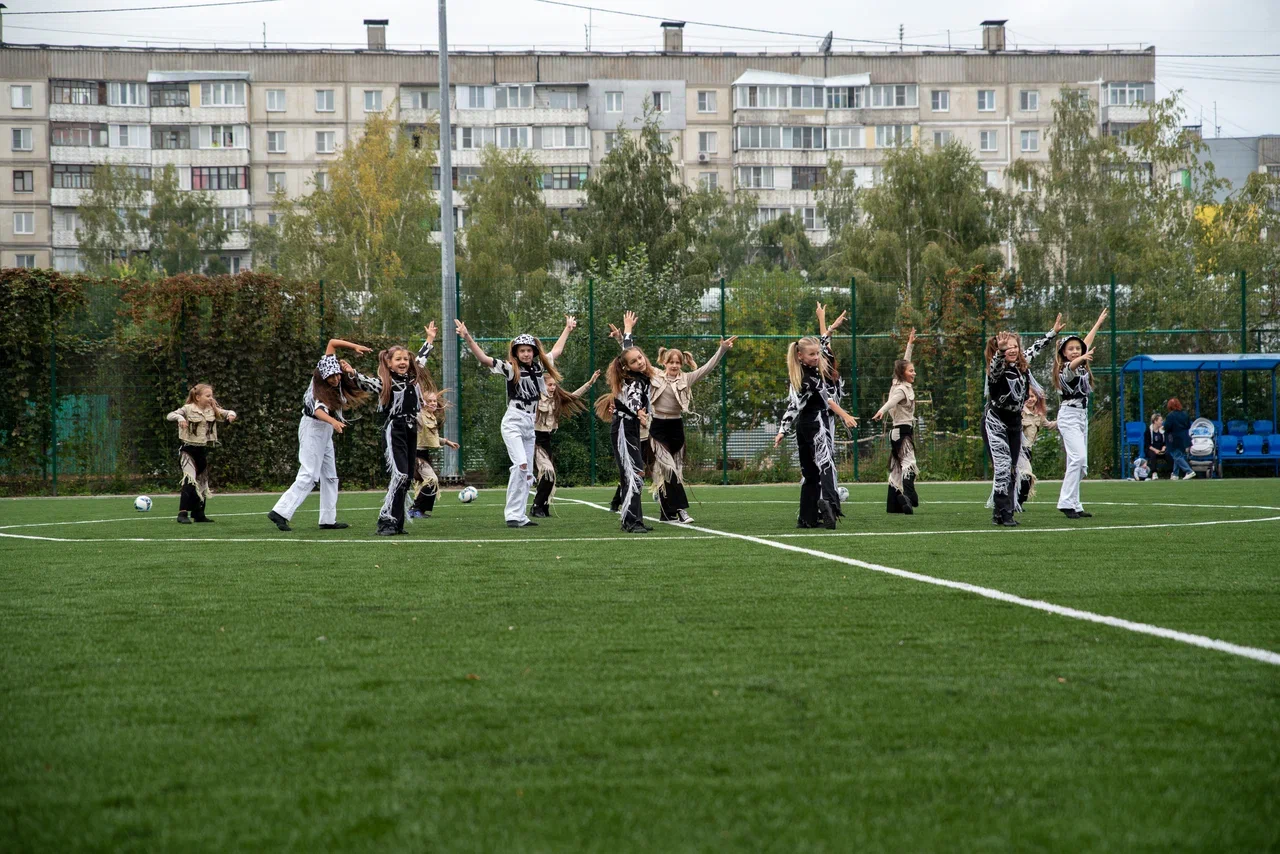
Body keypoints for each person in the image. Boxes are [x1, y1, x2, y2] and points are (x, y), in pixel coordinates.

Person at [456, 316, 577, 528]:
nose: (526, 353)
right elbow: (484, 359)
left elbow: (556, 351)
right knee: (520, 465)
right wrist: (467, 337)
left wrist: (567, 329)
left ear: (534, 351)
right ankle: (512, 515)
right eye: (521, 350)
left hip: (530, 422)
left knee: (528, 474)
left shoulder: (539, 367)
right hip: (513, 420)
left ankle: (520, 516)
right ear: (515, 353)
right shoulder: (511, 368)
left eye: (529, 350)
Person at [268, 339, 373, 532]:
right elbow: (318, 411)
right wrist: (333, 422)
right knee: (309, 473)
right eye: (331, 377)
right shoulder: (319, 390)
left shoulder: (328, 363)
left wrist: (354, 347)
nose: (336, 379)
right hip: (313, 427)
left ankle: (327, 519)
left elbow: (332, 342)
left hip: (324, 430)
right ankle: (280, 512)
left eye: (337, 376)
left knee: (330, 476)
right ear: (323, 377)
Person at [774, 318, 859, 530]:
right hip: (815, 425)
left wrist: (783, 430)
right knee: (826, 466)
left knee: (810, 474)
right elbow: (827, 400)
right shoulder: (809, 379)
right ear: (800, 356)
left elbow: (793, 407)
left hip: (802, 428)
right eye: (812, 355)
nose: (817, 357)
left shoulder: (799, 376)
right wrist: (845, 415)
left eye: (817, 354)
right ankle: (830, 507)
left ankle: (806, 518)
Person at [643, 337, 735, 523]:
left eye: (678, 362)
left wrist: (722, 350)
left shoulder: (687, 378)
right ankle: (681, 510)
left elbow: (708, 367)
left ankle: (666, 513)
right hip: (658, 427)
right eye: (671, 362)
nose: (675, 365)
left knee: (674, 470)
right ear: (664, 362)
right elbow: (637, 360)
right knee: (668, 469)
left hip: (676, 427)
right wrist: (623, 338)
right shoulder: (655, 375)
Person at [983, 315, 1064, 527]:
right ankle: (1005, 512)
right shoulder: (996, 368)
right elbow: (995, 369)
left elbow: (1037, 348)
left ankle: (1000, 513)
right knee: (1001, 466)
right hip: (996, 420)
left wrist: (1053, 333)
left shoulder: (1022, 365)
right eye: (1006, 347)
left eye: (1015, 346)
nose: (1012, 350)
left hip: (1014, 422)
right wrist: (1000, 352)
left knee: (1012, 468)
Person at [362, 326, 437, 535]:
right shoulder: (386, 383)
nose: (403, 362)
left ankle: (398, 523)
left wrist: (429, 339)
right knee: (400, 475)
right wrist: (350, 372)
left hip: (411, 429)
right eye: (398, 359)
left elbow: (422, 357)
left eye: (405, 359)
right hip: (395, 429)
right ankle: (385, 522)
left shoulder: (413, 379)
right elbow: (365, 383)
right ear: (389, 362)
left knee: (407, 478)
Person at [595, 312, 656, 533]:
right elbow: (631, 400)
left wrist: (627, 331)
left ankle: (632, 520)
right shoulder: (630, 381)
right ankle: (631, 521)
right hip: (624, 428)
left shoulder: (638, 375)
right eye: (634, 361)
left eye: (640, 358)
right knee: (635, 473)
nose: (639, 361)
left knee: (632, 474)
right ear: (626, 367)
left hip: (628, 428)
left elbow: (628, 350)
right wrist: (639, 412)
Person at [1054, 309, 1108, 519]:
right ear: (1064, 353)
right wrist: (1082, 356)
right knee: (1078, 458)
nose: (1076, 351)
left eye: (1078, 348)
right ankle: (1065, 502)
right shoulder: (1066, 369)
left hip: (1080, 416)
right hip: (1068, 416)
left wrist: (1097, 323)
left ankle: (1075, 504)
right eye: (1071, 349)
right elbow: (1074, 363)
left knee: (1080, 464)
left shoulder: (1081, 361)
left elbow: (1085, 344)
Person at [530, 369, 600, 518]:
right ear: (542, 385)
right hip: (534, 439)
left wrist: (590, 383)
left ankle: (543, 505)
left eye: (554, 385)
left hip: (546, 439)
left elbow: (574, 396)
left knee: (550, 475)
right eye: (549, 385)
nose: (552, 388)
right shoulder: (534, 397)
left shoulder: (557, 399)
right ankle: (536, 506)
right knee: (548, 472)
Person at [166, 383, 236, 524]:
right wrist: (180, 419)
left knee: (202, 483)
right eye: (207, 396)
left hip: (201, 450)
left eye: (211, 396)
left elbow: (227, 412)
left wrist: (231, 414)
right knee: (190, 480)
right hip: (187, 450)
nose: (211, 398)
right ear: (197, 397)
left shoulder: (212, 409)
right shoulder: (188, 409)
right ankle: (182, 513)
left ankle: (199, 514)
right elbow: (170, 415)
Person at [871, 328, 919, 514]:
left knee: (898, 469)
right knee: (910, 464)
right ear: (903, 373)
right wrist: (881, 411)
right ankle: (909, 496)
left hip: (899, 432)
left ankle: (894, 505)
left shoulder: (898, 383)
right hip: (902, 431)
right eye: (911, 371)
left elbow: (904, 362)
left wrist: (910, 344)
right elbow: (891, 402)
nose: (914, 373)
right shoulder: (901, 390)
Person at [409, 389, 459, 520]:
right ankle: (414, 509)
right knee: (432, 480)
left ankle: (419, 510)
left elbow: (433, 437)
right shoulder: (419, 416)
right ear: (423, 402)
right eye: (429, 401)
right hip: (416, 454)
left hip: (424, 453)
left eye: (434, 401)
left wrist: (447, 442)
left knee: (424, 483)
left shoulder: (432, 417)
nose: (433, 403)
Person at [1016, 383, 1056, 507]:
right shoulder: (1019, 413)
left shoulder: (1039, 415)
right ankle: (1016, 503)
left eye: (1033, 396)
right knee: (1027, 476)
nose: (1031, 399)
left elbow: (1049, 425)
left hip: (1028, 451)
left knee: (1023, 479)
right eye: (1028, 396)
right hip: (1018, 450)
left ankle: (1018, 502)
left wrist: (1064, 420)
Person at [1164, 398, 1196, 480]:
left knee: (1176, 455)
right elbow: (1189, 425)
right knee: (1179, 455)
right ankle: (1175, 474)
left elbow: (1167, 427)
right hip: (1184, 437)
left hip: (1175, 438)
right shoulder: (1185, 414)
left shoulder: (1170, 416)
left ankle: (1189, 471)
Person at [1144, 412, 1169, 480]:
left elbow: (1165, 442)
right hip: (1151, 449)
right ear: (1155, 421)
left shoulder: (1163, 430)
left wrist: (1163, 448)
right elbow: (1147, 444)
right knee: (1153, 455)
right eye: (1160, 420)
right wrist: (1155, 450)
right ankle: (1154, 473)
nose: (1162, 422)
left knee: (1168, 454)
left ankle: (1172, 473)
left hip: (1161, 450)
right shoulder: (1148, 430)